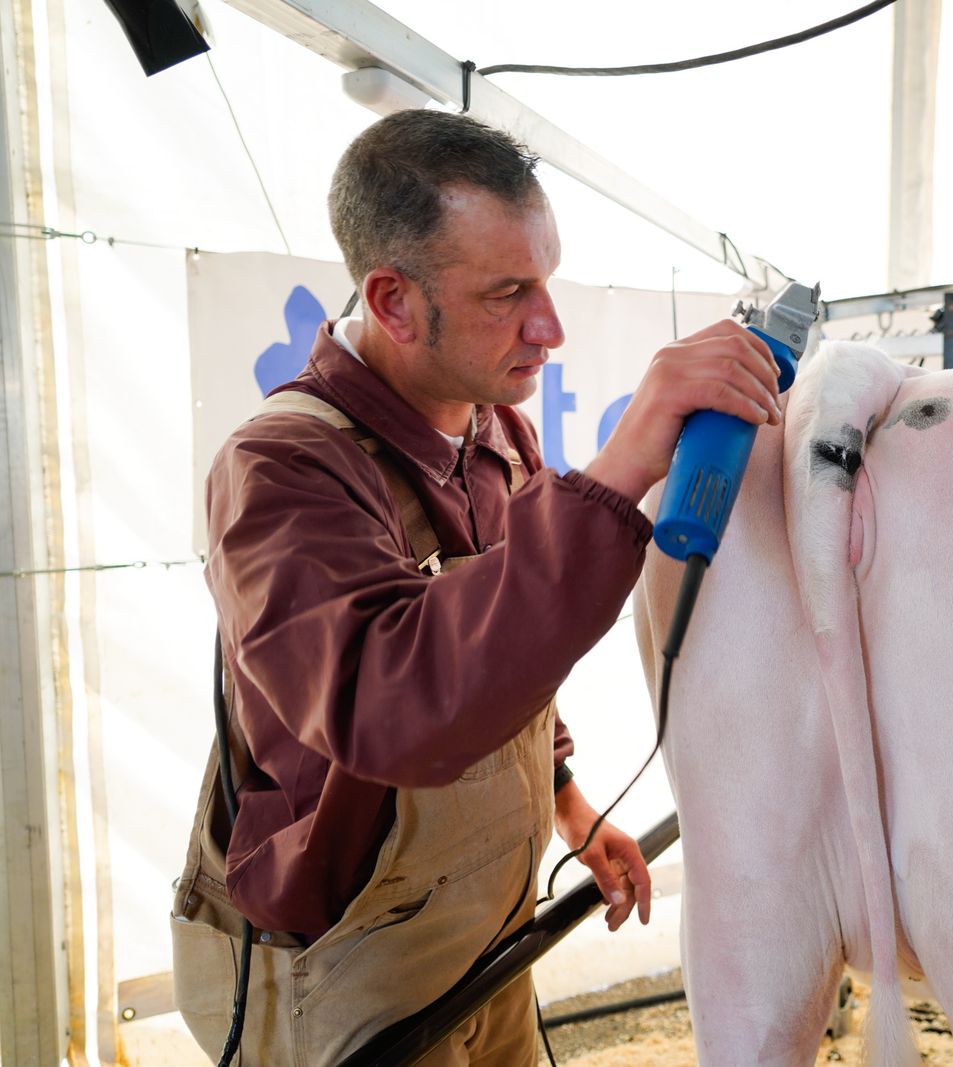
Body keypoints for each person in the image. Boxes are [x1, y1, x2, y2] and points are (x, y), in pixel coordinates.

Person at [169, 108, 783, 1065]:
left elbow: (504, 658)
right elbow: (398, 701)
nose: (550, 328)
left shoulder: (496, 432)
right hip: (352, 977)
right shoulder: (280, 468)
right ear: (394, 300)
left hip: (489, 944)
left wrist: (569, 802)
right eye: (508, 294)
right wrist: (621, 467)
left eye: (547, 281)